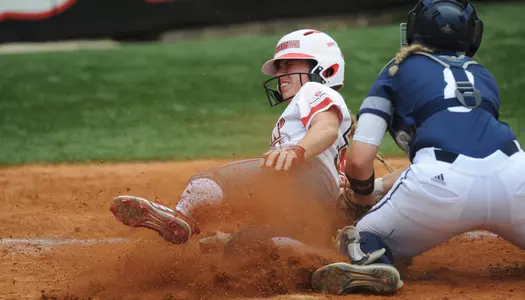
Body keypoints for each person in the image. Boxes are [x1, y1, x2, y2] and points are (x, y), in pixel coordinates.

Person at [311, 0, 525, 295]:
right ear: (473, 34)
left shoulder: (397, 70)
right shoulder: (483, 76)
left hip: (439, 189)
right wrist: (380, 189)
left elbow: (359, 163)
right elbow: (472, 157)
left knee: (358, 239)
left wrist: (362, 198)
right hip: (516, 176)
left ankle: (372, 260)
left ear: (414, 32)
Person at [109, 29, 355, 251]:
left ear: (325, 69)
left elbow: (326, 128)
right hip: (317, 207)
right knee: (244, 249)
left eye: (288, 66)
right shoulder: (314, 106)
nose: (280, 75)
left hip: (303, 175)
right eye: (279, 68)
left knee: (206, 183)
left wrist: (298, 150)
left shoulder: (315, 91)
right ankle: (317, 261)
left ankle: (181, 217)